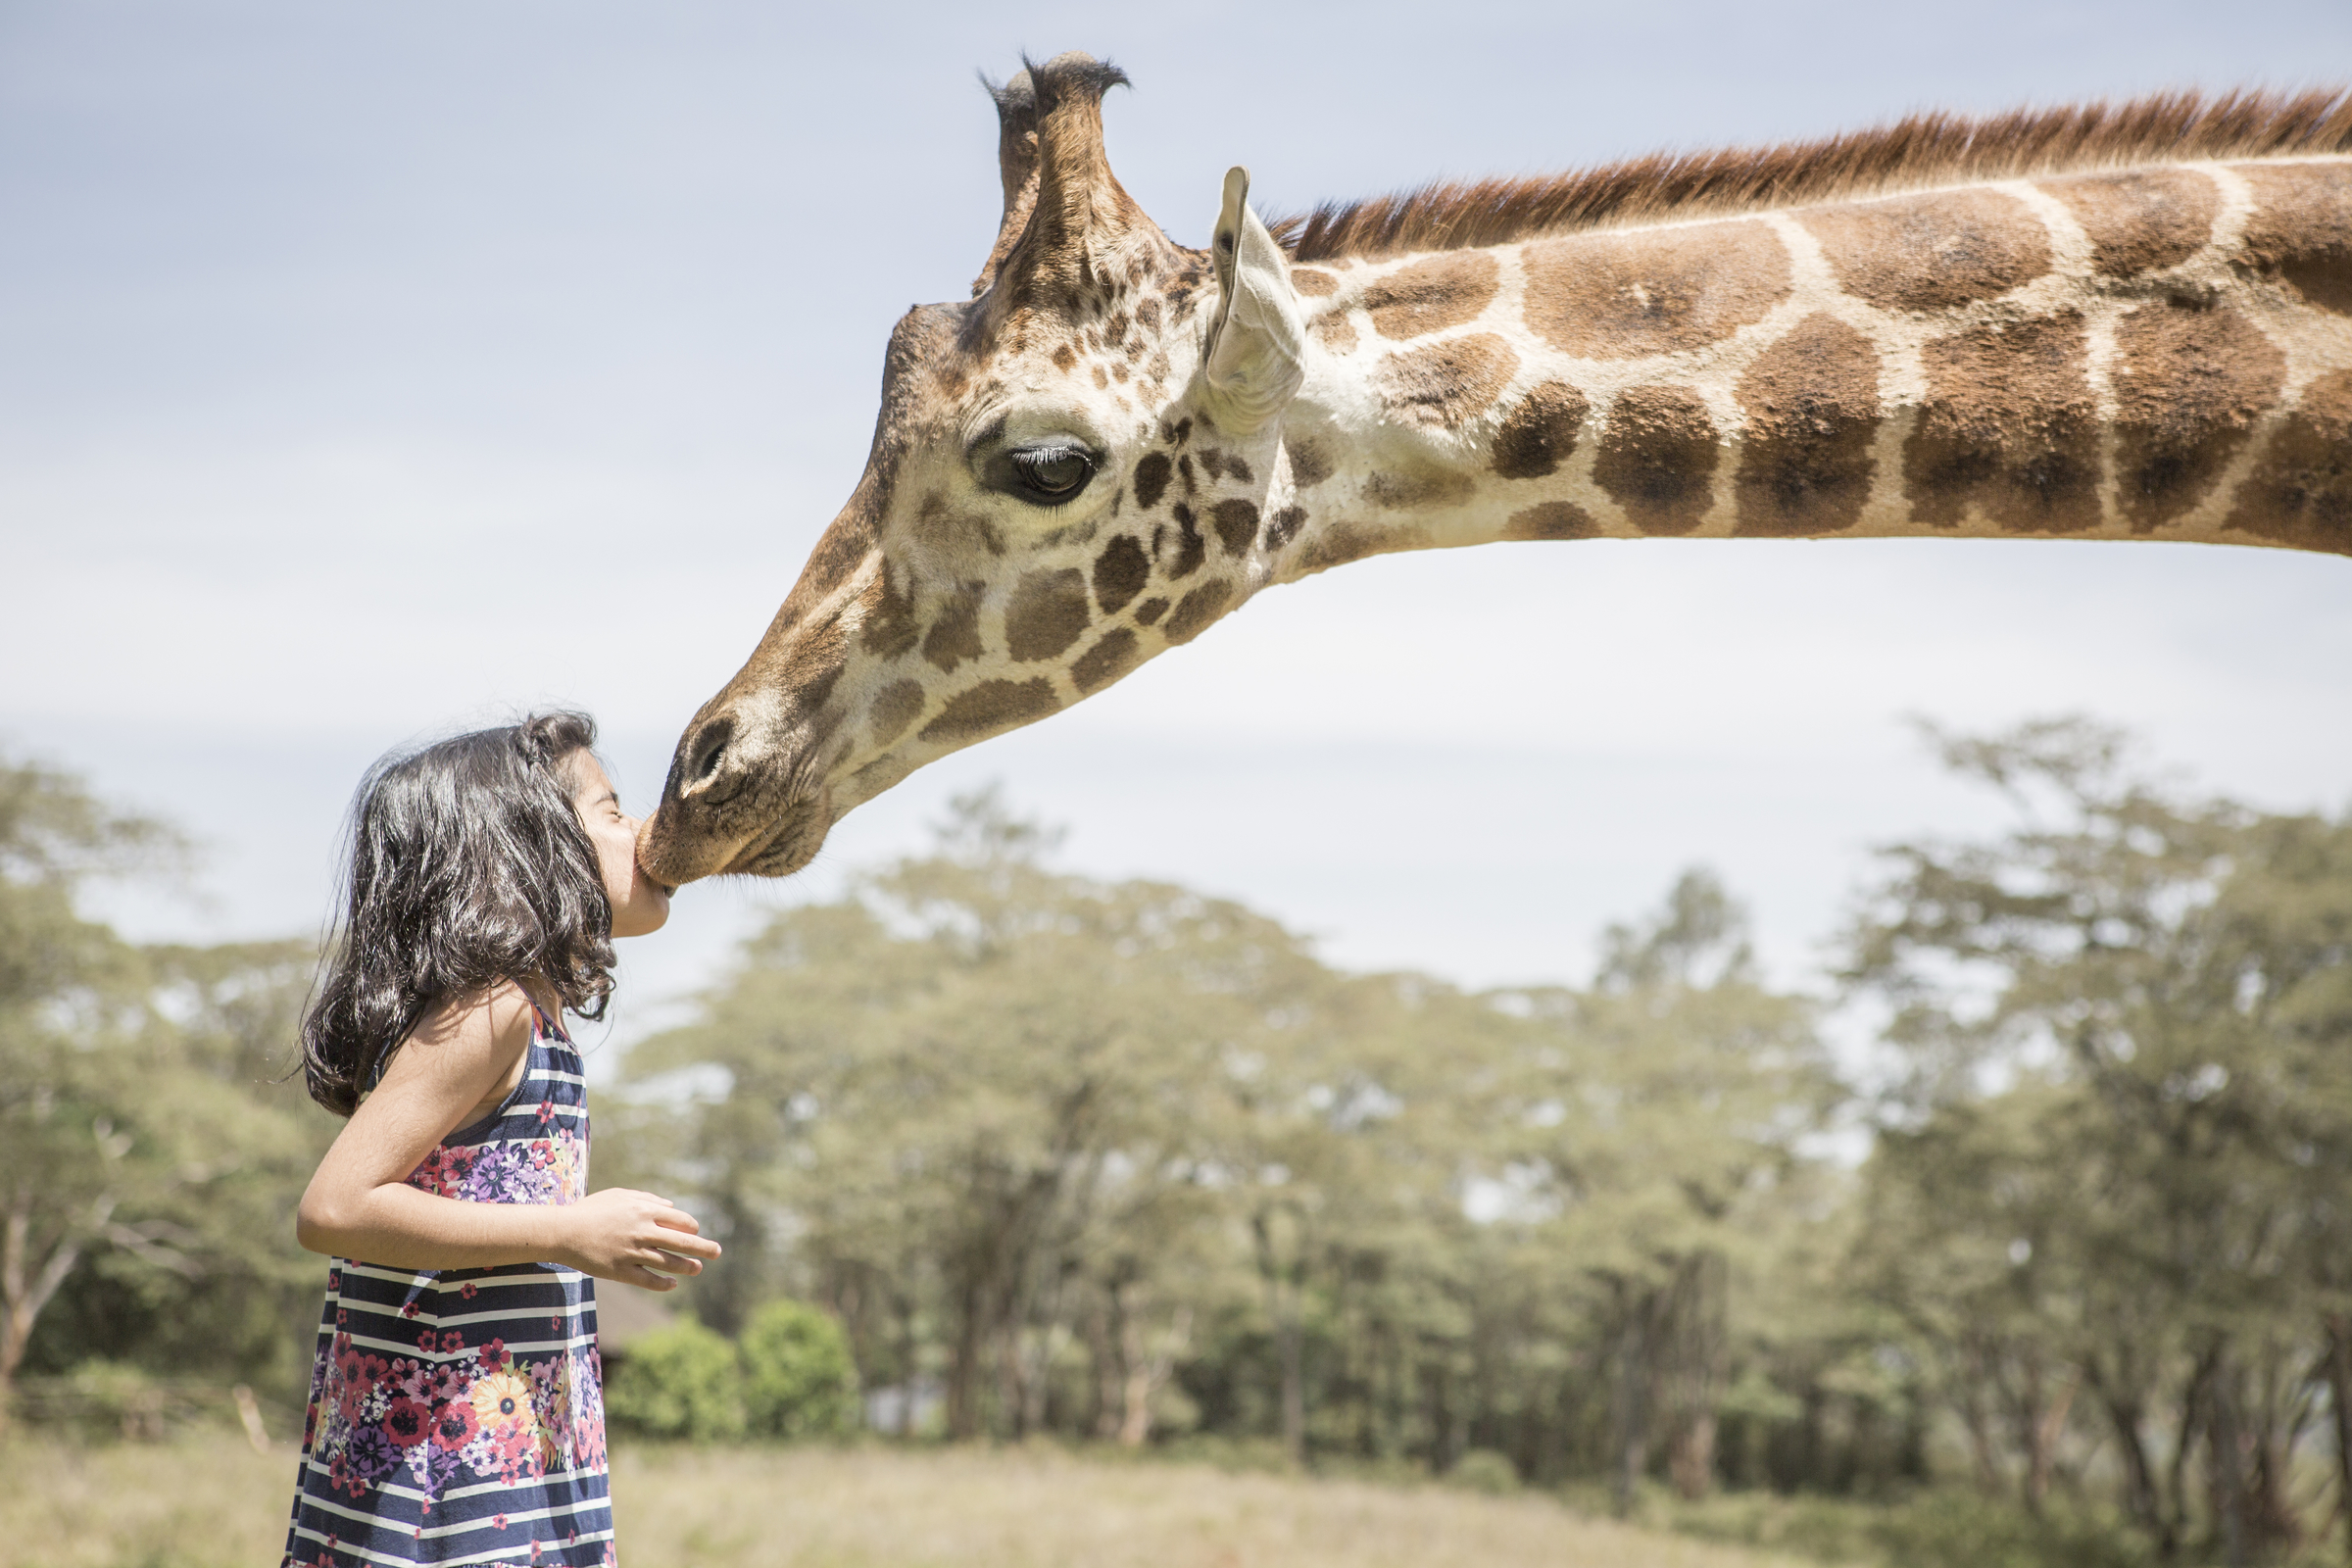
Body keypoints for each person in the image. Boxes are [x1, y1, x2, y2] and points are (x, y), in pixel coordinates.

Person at [281, 711, 718, 1567]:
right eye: (610, 808)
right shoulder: (491, 1010)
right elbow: (334, 1209)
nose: (638, 829)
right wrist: (568, 1231)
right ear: (527, 847)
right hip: (440, 1493)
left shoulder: (529, 1018)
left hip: (508, 1466)